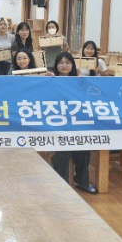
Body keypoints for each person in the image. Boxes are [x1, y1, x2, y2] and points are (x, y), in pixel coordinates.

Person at [50, 52, 98, 194]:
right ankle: (61, 185)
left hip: (76, 125)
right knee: (63, 152)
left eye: (67, 63)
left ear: (73, 65)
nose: (64, 66)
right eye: (61, 63)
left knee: (84, 150)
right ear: (56, 65)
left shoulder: (79, 80)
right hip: (57, 126)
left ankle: (82, 181)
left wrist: (83, 83)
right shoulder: (50, 80)